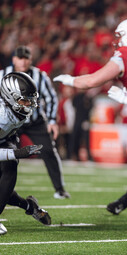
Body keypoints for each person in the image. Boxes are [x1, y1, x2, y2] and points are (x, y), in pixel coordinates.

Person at [53, 19, 127, 215]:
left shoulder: (125, 54)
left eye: (120, 35)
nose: (118, 41)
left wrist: (70, 80)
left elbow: (92, 81)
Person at [0, 45, 70, 199]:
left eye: (26, 58)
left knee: (48, 151)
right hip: (10, 124)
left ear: (30, 59)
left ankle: (59, 188)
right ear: (14, 59)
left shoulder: (39, 76)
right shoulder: (3, 75)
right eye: (20, 58)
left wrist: (52, 120)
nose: (23, 61)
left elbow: (51, 98)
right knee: (8, 162)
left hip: (35, 121)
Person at [0, 72, 51, 235]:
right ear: (9, 96)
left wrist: (14, 154)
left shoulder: (13, 109)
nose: (29, 104)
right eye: (24, 100)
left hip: (6, 137)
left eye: (30, 99)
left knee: (10, 168)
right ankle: (30, 206)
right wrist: (17, 153)